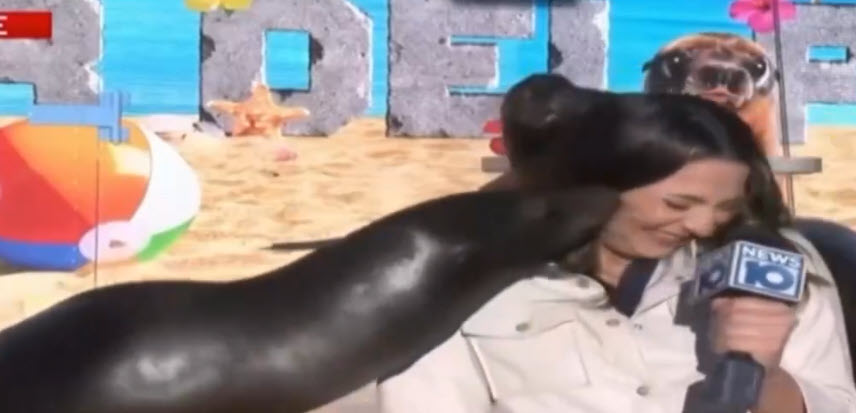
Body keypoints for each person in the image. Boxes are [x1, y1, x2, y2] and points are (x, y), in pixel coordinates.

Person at [375, 87, 856, 412]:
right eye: (679, 203)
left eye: (725, 207)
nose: (702, 224)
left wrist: (765, 375)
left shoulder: (778, 265)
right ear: (599, 184)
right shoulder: (470, 281)